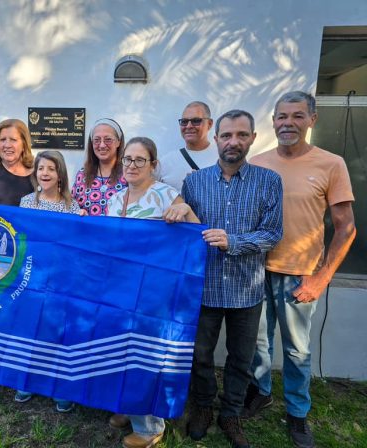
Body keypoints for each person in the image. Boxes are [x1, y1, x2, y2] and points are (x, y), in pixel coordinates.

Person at [245, 91, 356, 448]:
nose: (287, 123)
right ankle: (261, 392)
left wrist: (322, 277)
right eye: (281, 117)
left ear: (312, 119)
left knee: (297, 350)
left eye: (296, 116)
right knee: (259, 342)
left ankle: (297, 413)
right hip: (257, 270)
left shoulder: (331, 164)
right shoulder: (257, 163)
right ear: (273, 121)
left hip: (300, 274)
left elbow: (346, 227)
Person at [182, 110, 283, 448]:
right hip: (205, 287)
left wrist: (233, 241)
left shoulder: (269, 181)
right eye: (226, 135)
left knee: (241, 359)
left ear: (252, 138)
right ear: (216, 139)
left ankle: (231, 413)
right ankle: (203, 408)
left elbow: (272, 234)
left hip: (247, 290)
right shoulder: (194, 182)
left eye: (241, 135)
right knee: (201, 354)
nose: (233, 142)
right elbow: (186, 232)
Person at [106, 136, 199, 448]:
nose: (131, 165)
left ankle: (149, 428)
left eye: (139, 160)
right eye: (128, 159)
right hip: (121, 289)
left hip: (152, 294)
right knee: (119, 349)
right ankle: (128, 408)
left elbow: (196, 235)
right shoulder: (115, 199)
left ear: (153, 165)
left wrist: (184, 209)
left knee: (143, 355)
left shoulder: (165, 195)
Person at [15, 150, 84, 412]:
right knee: (31, 328)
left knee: (56, 330)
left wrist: (83, 225)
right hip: (32, 277)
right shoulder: (26, 202)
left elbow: (76, 244)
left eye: (50, 169)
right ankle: (28, 380)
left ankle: (58, 385)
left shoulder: (72, 206)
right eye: (40, 168)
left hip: (61, 280)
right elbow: (21, 238)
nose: (44, 173)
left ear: (60, 175)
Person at [72, 118, 127, 216]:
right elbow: (72, 206)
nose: (102, 145)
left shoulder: (128, 173)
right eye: (96, 140)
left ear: (118, 142)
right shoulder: (82, 174)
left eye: (108, 140)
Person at [159, 101, 217, 193]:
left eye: (196, 121)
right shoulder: (165, 163)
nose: (189, 126)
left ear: (209, 124)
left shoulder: (223, 158)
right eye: (184, 122)